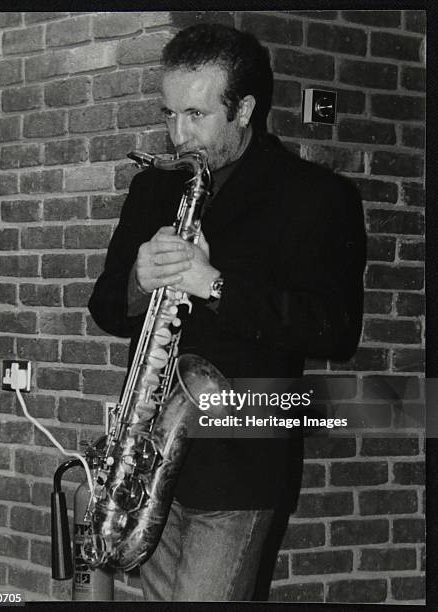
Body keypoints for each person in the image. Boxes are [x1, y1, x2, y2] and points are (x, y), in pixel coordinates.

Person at [88, 23, 366, 601]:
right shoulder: (151, 191)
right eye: (169, 114)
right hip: (149, 458)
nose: (177, 134)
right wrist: (140, 283)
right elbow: (108, 309)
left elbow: (335, 329)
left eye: (195, 115)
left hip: (243, 457)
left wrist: (213, 284)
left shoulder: (317, 197)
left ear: (243, 109)